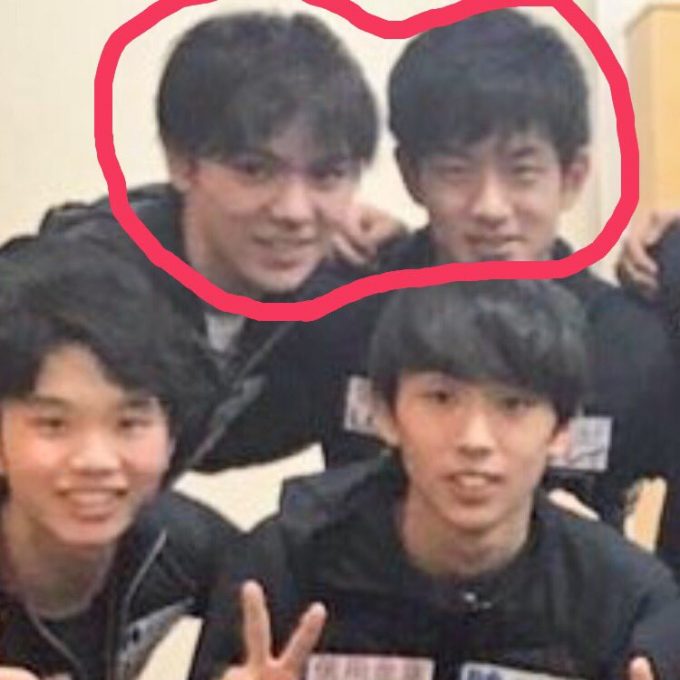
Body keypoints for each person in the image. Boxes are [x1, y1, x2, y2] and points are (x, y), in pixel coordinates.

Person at [191, 280, 680, 680]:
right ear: (385, 414)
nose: (474, 440)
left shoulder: (625, 600)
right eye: (441, 399)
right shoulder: (282, 567)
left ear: (562, 431)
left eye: (513, 405)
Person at [305, 8, 680, 527]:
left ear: (572, 176)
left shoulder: (631, 345)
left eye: (521, 172)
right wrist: (299, 235)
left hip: (570, 580)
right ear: (412, 176)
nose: (490, 207)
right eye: (456, 171)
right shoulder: (347, 309)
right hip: (359, 577)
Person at [32, 10, 389, 470]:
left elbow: (370, 488)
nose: (294, 212)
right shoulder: (83, 289)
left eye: (327, 175)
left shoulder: (349, 296)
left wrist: (409, 259)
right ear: (182, 163)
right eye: (254, 170)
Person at [0, 240, 241, 679]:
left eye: (129, 423)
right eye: (53, 424)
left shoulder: (182, 543)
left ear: (172, 437)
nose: (96, 461)